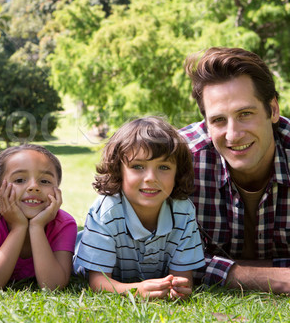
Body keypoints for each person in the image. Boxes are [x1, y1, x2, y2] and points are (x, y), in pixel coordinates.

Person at [179, 47, 290, 294]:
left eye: (245, 114)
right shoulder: (178, 162)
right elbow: (162, 262)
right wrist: (284, 278)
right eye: (218, 120)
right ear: (205, 123)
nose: (233, 134)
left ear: (273, 110)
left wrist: (209, 266)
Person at [73, 117, 206, 299]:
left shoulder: (183, 211)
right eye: (138, 166)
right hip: (83, 256)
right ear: (119, 170)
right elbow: (98, 284)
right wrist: (137, 291)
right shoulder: (106, 211)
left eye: (164, 167)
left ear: (178, 172)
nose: (151, 177)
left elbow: (183, 278)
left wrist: (176, 288)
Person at [0, 144, 77, 290]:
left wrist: (37, 226)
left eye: (45, 181)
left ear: (57, 191)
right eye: (20, 180)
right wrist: (19, 227)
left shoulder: (64, 224)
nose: (33, 187)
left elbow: (53, 286)